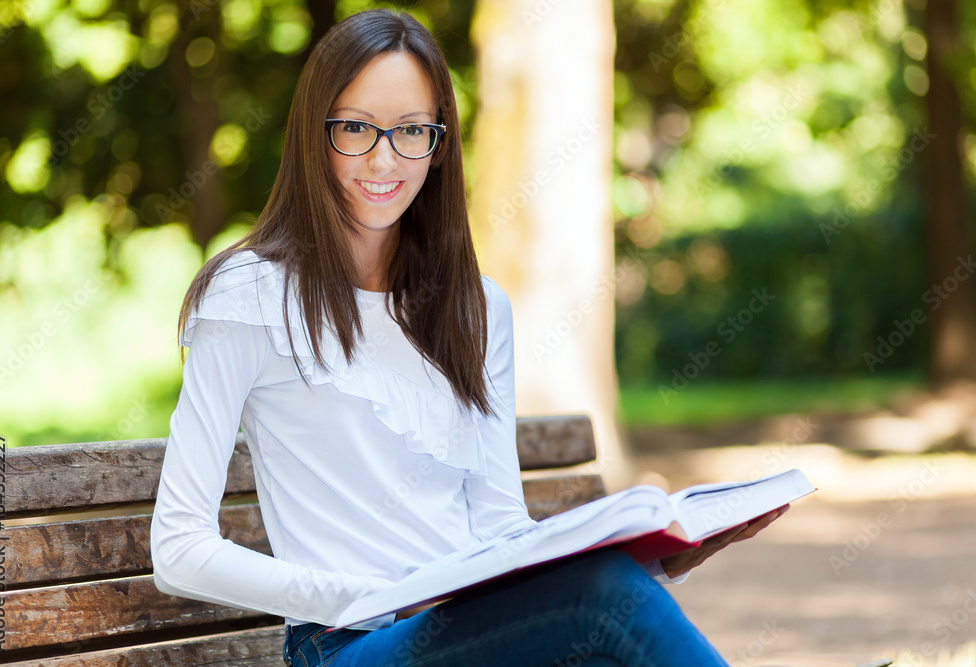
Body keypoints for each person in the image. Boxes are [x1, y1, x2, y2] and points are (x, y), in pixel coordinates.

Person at [150, 8, 785, 667]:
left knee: (606, 615)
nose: (383, 158)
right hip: (346, 644)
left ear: (439, 143)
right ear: (315, 134)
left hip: (468, 631)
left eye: (410, 131)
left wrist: (664, 558)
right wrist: (376, 598)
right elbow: (178, 547)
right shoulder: (250, 295)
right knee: (599, 595)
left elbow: (501, 528)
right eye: (355, 128)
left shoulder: (475, 309)